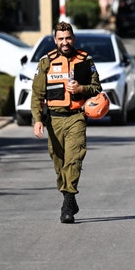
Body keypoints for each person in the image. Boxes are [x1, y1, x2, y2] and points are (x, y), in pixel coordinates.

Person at [31, 22, 102, 224]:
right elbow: (37, 95)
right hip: (53, 119)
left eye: (68, 38)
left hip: (76, 117)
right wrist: (37, 120)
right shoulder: (46, 62)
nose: (65, 42)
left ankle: (67, 203)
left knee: (74, 159)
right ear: (55, 40)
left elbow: (97, 87)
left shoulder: (85, 60)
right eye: (61, 39)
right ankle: (68, 197)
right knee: (59, 162)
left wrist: (81, 89)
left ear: (73, 38)